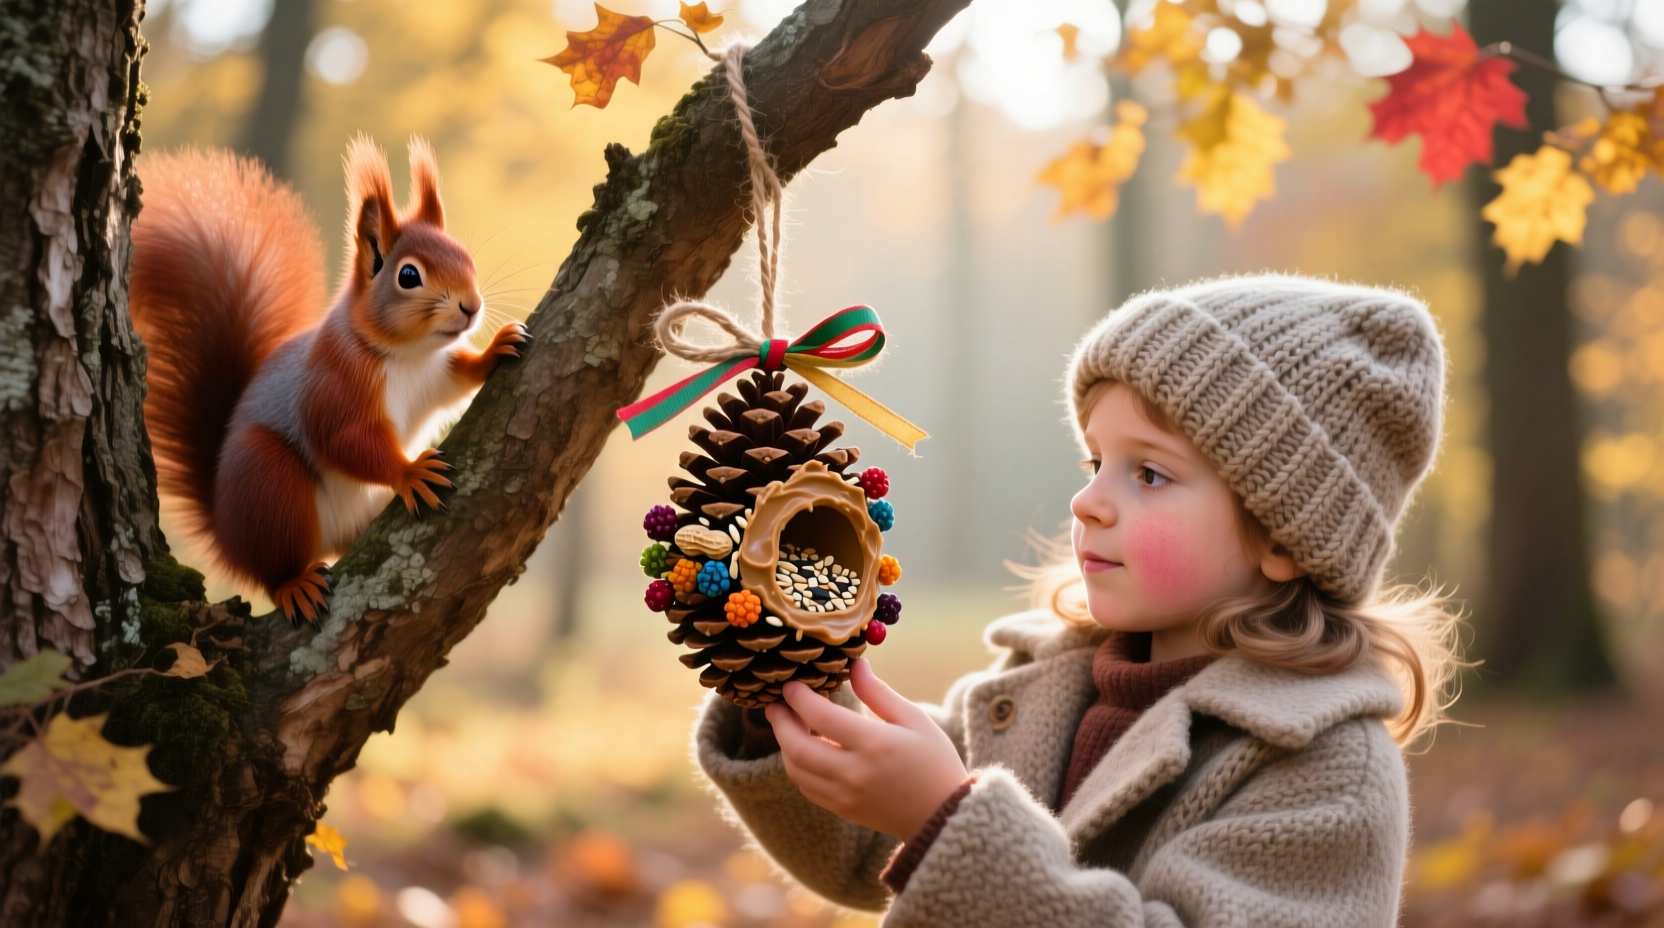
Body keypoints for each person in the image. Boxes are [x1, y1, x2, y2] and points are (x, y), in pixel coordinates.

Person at [695, 274, 1464, 927]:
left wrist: (946, 819)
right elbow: (865, 846)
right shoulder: (1044, 682)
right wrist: (777, 682)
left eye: (1149, 474)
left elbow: (935, 818)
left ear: (1284, 537)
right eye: (1096, 460)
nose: (1089, 500)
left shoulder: (1326, 771)